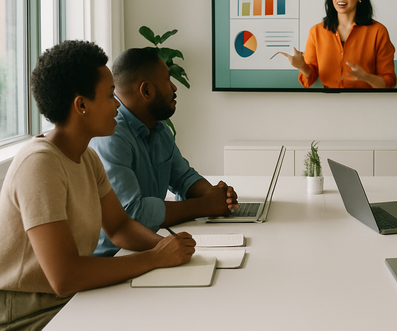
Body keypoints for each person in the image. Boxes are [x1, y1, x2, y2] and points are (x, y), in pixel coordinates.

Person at [0, 41, 195, 329]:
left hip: (67, 297)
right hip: (27, 311)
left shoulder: (87, 157)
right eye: (109, 96)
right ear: (81, 105)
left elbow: (119, 228)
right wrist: (155, 258)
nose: (118, 104)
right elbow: (65, 276)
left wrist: (167, 246)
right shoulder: (39, 164)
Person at [89, 48, 238, 256]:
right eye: (168, 80)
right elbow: (133, 213)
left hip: (151, 246)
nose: (175, 87)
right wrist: (204, 205)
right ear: (147, 90)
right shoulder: (111, 135)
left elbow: (184, 178)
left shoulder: (158, 128)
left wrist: (216, 195)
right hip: (114, 258)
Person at [280, 0, 396, 89]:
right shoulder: (316, 32)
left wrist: (366, 77)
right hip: (329, 103)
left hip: (365, 102)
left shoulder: (378, 32)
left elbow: (389, 82)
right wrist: (302, 66)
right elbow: (310, 79)